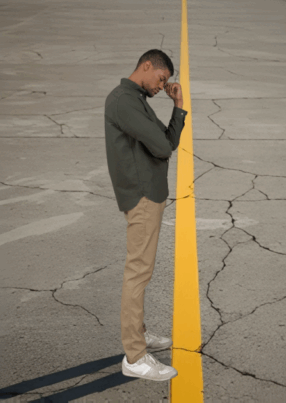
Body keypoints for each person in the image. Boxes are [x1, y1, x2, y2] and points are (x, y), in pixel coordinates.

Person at [104, 49, 187, 381]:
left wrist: (177, 105)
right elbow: (164, 147)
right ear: (147, 66)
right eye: (161, 79)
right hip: (141, 196)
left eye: (165, 82)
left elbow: (167, 141)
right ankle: (135, 356)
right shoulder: (123, 100)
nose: (161, 85)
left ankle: (138, 333)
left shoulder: (137, 100)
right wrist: (164, 139)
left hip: (149, 193)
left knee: (143, 271)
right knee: (137, 273)